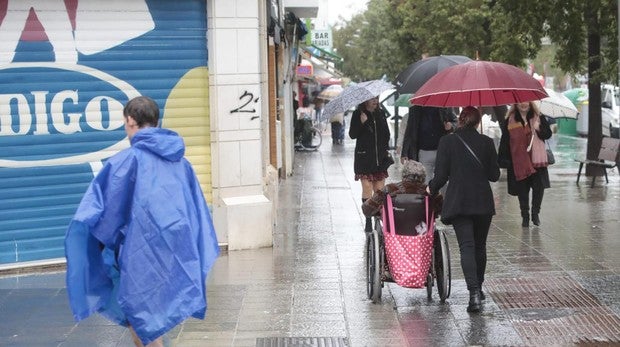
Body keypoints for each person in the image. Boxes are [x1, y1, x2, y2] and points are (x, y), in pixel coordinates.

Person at [64, 96, 220, 346]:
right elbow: (194, 209)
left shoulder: (126, 162)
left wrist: (96, 244)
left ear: (130, 121)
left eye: (125, 124)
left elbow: (105, 211)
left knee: (138, 314)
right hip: (176, 249)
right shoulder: (181, 162)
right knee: (143, 315)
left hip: (140, 253)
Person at [427, 106, 500, 313]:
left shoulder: (447, 142)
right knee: (480, 247)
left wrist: (429, 189)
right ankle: (479, 287)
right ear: (478, 122)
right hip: (482, 202)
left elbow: (440, 177)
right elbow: (494, 175)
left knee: (467, 247)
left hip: (459, 202)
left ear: (460, 120)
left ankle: (474, 295)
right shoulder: (486, 142)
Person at [497, 101, 552, 227]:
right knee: (522, 190)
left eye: (526, 101)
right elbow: (505, 140)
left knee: (539, 188)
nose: (523, 104)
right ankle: (525, 216)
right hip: (519, 161)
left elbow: (548, 134)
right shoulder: (510, 120)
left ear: (530, 103)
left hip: (537, 161)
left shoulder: (538, 117)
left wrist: (539, 128)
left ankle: (535, 213)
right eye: (520, 102)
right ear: (515, 104)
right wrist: (502, 159)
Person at [349, 96, 391, 232]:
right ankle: (368, 219)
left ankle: (377, 218)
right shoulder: (358, 113)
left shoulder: (381, 113)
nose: (375, 101)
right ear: (365, 100)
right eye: (372, 99)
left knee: (379, 191)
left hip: (380, 158)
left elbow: (386, 133)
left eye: (377, 98)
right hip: (364, 158)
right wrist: (362, 123)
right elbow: (352, 134)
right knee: (367, 187)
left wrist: (385, 150)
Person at [362, 160, 442, 218]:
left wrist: (380, 212)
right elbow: (441, 210)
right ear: (423, 176)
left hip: (394, 232)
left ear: (403, 174)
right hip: (423, 231)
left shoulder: (390, 189)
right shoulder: (430, 191)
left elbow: (367, 209)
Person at [401, 105, 457, 184]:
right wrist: (404, 152)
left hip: (442, 151)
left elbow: (455, 121)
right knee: (426, 182)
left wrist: (451, 126)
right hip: (424, 151)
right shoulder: (415, 109)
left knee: (443, 181)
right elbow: (409, 130)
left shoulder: (445, 106)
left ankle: (441, 196)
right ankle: (429, 196)